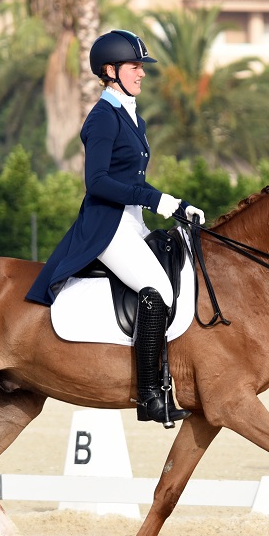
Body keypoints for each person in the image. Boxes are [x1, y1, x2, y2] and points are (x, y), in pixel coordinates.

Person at [26, 29, 205, 426]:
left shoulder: (132, 117)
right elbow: (99, 183)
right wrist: (156, 200)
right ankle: (150, 395)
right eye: (135, 67)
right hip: (107, 227)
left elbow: (136, 182)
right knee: (156, 289)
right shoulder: (103, 118)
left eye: (141, 67)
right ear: (111, 71)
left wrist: (174, 203)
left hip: (133, 223)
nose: (142, 74)